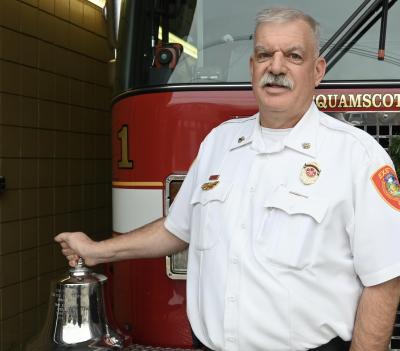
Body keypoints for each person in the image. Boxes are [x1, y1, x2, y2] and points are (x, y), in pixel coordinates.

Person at [55, 8, 400, 351]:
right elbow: (178, 227)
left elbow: (384, 280)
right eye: (264, 54)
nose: (276, 67)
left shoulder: (358, 156)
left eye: (294, 56)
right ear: (252, 68)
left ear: (317, 70)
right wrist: (99, 251)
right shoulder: (220, 143)